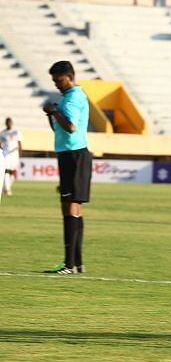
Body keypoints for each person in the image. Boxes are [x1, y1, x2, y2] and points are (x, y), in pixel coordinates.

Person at [42, 61, 93, 275]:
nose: (56, 84)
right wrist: (51, 115)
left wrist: (54, 112)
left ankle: (69, 264)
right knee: (74, 207)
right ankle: (77, 263)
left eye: (58, 80)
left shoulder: (73, 97)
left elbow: (70, 127)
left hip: (74, 154)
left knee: (70, 207)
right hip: (70, 154)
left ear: (69, 76)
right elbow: (59, 129)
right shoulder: (68, 97)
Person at [0, 117, 22, 197]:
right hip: (6, 154)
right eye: (7, 122)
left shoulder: (16, 132)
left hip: (14, 154)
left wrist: (20, 153)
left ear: (12, 123)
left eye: (10, 122)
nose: (8, 124)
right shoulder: (2, 133)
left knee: (13, 172)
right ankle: (7, 189)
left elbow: (19, 143)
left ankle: (6, 187)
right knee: (6, 170)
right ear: (5, 123)